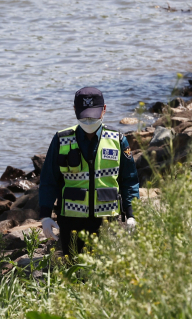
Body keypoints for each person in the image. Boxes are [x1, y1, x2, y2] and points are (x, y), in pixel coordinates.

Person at [39, 87, 140, 256]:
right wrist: (45, 215)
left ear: (104, 110)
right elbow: (49, 180)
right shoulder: (61, 140)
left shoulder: (118, 140)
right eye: (84, 116)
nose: (88, 121)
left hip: (107, 221)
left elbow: (129, 180)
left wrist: (132, 214)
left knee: (105, 271)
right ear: (75, 111)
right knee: (74, 271)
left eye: (92, 116)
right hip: (71, 222)